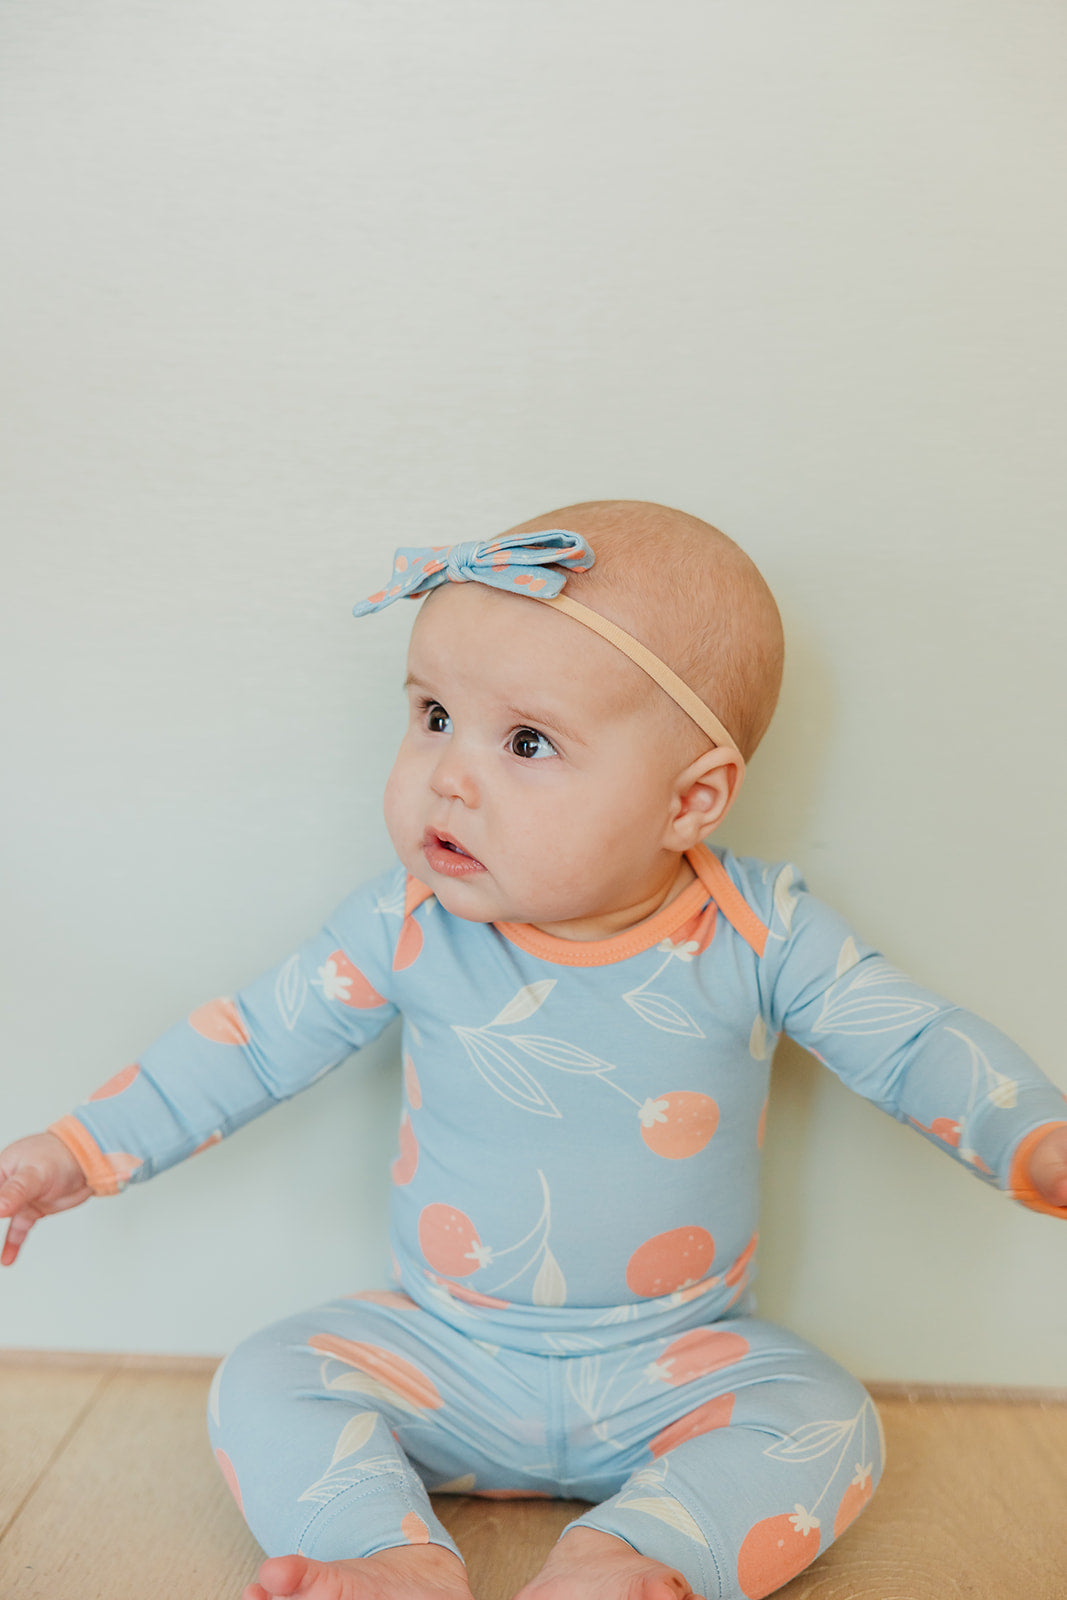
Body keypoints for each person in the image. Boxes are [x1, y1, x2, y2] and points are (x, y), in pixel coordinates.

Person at [1, 500, 1065, 1600]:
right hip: (445, 1354)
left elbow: (913, 1044)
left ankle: (628, 1555)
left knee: (827, 1417)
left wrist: (1031, 1136)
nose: (448, 777)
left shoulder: (759, 933)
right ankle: (389, 1557)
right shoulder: (406, 923)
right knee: (264, 1378)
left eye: (526, 742)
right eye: (432, 716)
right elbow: (249, 1044)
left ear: (689, 799)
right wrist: (79, 1150)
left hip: (676, 1365)